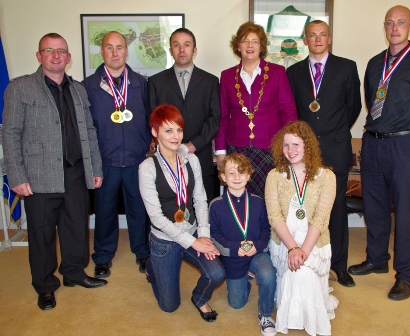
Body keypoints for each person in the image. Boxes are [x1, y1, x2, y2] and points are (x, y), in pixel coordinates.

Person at [2, 33, 106, 310]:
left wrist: (95, 167)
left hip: (75, 172)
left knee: (76, 229)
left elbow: (89, 133)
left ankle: (73, 273)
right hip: (38, 176)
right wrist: (17, 176)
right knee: (42, 233)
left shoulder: (79, 89)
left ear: (68, 58)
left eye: (61, 51)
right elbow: (10, 135)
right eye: (49, 50)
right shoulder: (20, 88)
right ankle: (45, 285)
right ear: (39, 56)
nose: (56, 55)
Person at [348, 6, 410, 300]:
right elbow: (370, 99)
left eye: (401, 22)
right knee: (374, 207)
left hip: (405, 146)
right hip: (374, 143)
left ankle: (406, 276)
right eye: (390, 23)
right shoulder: (376, 63)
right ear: (385, 26)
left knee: (404, 212)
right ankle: (377, 260)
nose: (395, 27)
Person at [286, 20, 362, 287]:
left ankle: (339, 266)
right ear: (305, 41)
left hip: (336, 149)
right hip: (305, 153)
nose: (317, 39)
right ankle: (307, 259)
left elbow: (353, 107)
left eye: (322, 35)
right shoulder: (293, 72)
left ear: (329, 39)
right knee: (305, 207)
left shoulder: (346, 67)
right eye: (311, 35)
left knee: (337, 208)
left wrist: (334, 131)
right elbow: (293, 110)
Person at [139, 104, 225, 321]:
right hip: (165, 240)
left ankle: (200, 298)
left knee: (217, 273)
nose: (175, 136)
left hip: (193, 230)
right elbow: (156, 217)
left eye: (178, 130)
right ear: (154, 132)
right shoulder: (147, 168)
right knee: (170, 306)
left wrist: (203, 235)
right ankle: (152, 264)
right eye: (168, 130)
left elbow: (200, 200)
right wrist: (192, 242)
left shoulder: (192, 160)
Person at [83, 31, 151, 278]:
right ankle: (102, 257)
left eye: (119, 47)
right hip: (105, 161)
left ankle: (143, 253)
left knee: (139, 210)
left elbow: (150, 121)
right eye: (109, 48)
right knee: (104, 210)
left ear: (126, 51)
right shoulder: (88, 86)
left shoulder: (142, 84)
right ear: (101, 51)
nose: (114, 53)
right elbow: (85, 128)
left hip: (136, 160)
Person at [265, 120, 338, 335]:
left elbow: (321, 219)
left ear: (308, 146)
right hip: (285, 241)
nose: (290, 150)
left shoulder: (328, 177)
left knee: (302, 273)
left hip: (313, 241)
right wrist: (292, 248)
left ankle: (310, 319)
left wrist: (303, 251)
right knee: (296, 273)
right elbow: (275, 216)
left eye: (296, 144)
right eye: (286, 145)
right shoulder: (274, 177)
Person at [215, 21, 297, 199]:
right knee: (241, 199)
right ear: (238, 46)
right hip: (237, 148)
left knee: (271, 200)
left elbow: (288, 112)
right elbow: (222, 117)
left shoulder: (277, 72)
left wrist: (289, 147)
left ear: (262, 46)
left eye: (255, 41)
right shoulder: (227, 76)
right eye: (245, 41)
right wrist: (220, 151)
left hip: (270, 149)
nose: (250, 45)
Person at [148, 28, 220, 201]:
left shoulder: (210, 81)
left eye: (187, 45)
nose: (182, 50)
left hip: (200, 154)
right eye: (176, 45)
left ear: (194, 50)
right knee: (172, 207)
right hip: (167, 156)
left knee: (204, 206)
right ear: (170, 50)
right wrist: (170, 144)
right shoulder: (156, 82)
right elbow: (152, 119)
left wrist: (193, 145)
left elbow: (215, 117)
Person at [210, 153, 277, 336]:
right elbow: (214, 235)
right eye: (231, 173)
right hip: (233, 257)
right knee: (236, 303)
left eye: (242, 173)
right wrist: (233, 248)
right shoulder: (216, 205)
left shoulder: (258, 202)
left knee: (268, 273)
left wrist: (259, 245)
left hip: (257, 252)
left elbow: (266, 230)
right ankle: (245, 279)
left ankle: (265, 314)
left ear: (249, 176)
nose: (237, 177)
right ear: (223, 176)